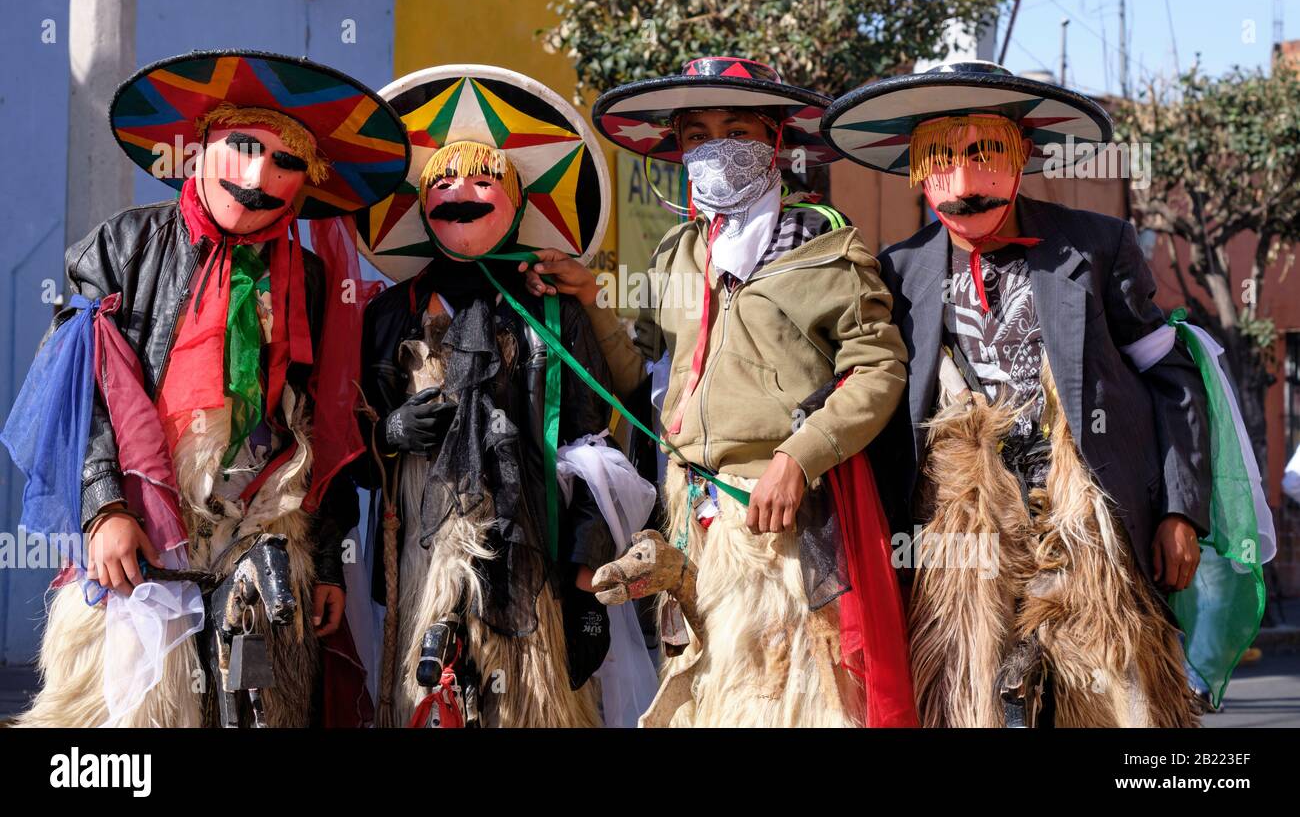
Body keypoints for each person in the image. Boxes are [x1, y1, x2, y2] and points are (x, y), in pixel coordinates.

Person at [5, 50, 410, 727]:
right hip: (142, 533)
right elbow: (77, 387)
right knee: (124, 722)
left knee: (257, 709)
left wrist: (331, 558)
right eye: (243, 148)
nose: (258, 176)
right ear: (201, 149)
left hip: (264, 536)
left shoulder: (310, 280)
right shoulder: (125, 244)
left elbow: (324, 420)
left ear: (306, 183)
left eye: (286, 163)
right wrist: (103, 506)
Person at [522, 56, 913, 727]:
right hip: (693, 524)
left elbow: (880, 369)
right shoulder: (680, 252)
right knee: (706, 701)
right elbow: (637, 371)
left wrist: (800, 456)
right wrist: (590, 295)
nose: (716, 148)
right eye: (697, 134)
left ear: (776, 141)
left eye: (738, 130)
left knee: (789, 704)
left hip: (783, 528)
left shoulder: (826, 244)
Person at [824, 59, 1209, 727]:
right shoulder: (898, 269)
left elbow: (1171, 375)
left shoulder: (1096, 247)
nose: (965, 181)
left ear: (1023, 151)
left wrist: (1180, 510)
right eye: (942, 155)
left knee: (1113, 699)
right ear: (917, 164)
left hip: (1085, 525)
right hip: (959, 538)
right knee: (966, 700)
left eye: (985, 151)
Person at [353, 64, 653, 728]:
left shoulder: (552, 312)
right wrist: (391, 433)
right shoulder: (388, 316)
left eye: (483, 180)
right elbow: (349, 441)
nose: (462, 193)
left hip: (534, 557)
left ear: (517, 202)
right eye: (444, 181)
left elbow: (592, 445)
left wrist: (584, 567)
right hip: (418, 561)